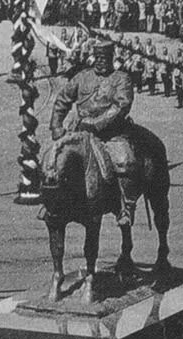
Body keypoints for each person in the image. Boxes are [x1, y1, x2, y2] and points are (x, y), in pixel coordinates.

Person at [49, 40, 140, 228]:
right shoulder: (82, 77)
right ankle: (51, 202)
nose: (100, 62)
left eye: (104, 58)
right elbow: (62, 99)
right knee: (54, 157)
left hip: (111, 134)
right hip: (80, 130)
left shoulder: (121, 78)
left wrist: (97, 124)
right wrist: (56, 125)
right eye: (97, 58)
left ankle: (126, 207)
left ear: (111, 58)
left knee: (126, 160)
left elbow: (122, 105)